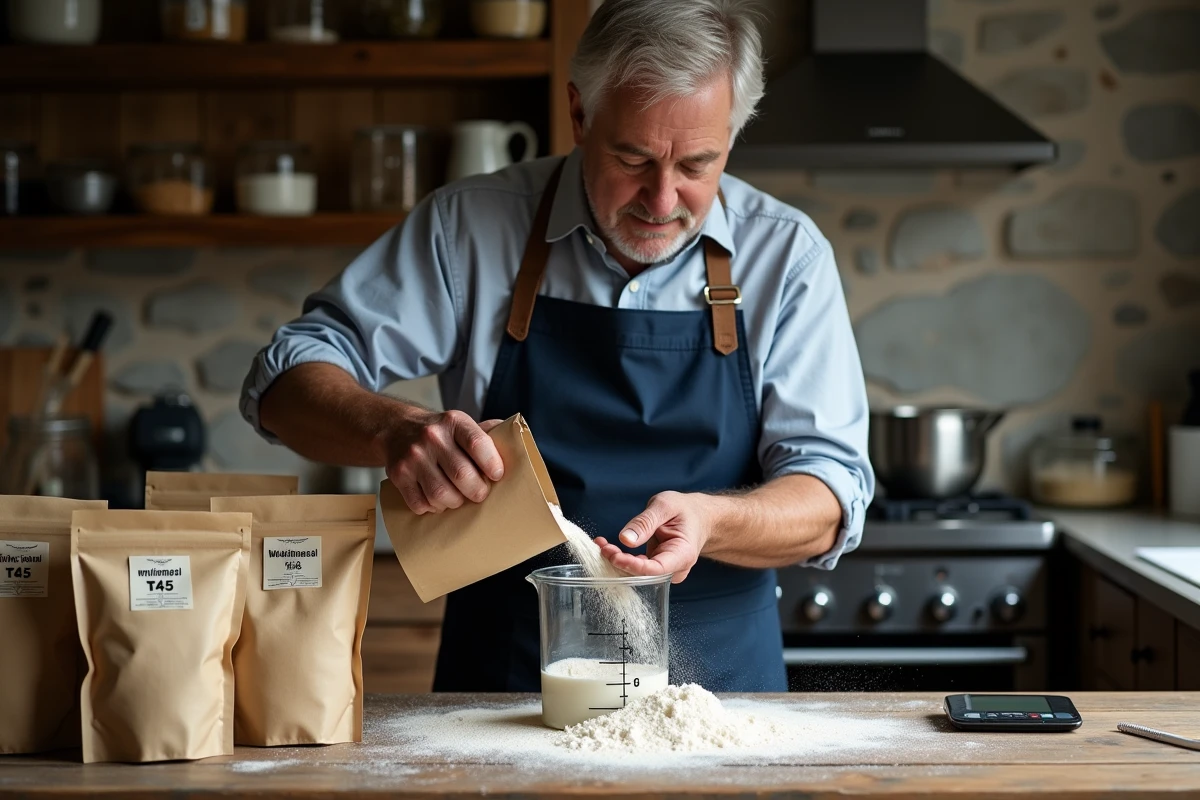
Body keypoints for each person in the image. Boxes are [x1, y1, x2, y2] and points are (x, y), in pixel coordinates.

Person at [240, 0, 874, 692]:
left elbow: (828, 498)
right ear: (579, 114)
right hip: (507, 687)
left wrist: (713, 520)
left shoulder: (785, 256)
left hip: (723, 697)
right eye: (632, 158)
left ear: (734, 130)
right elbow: (282, 383)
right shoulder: (470, 229)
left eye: (697, 163)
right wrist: (392, 430)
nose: (662, 199)